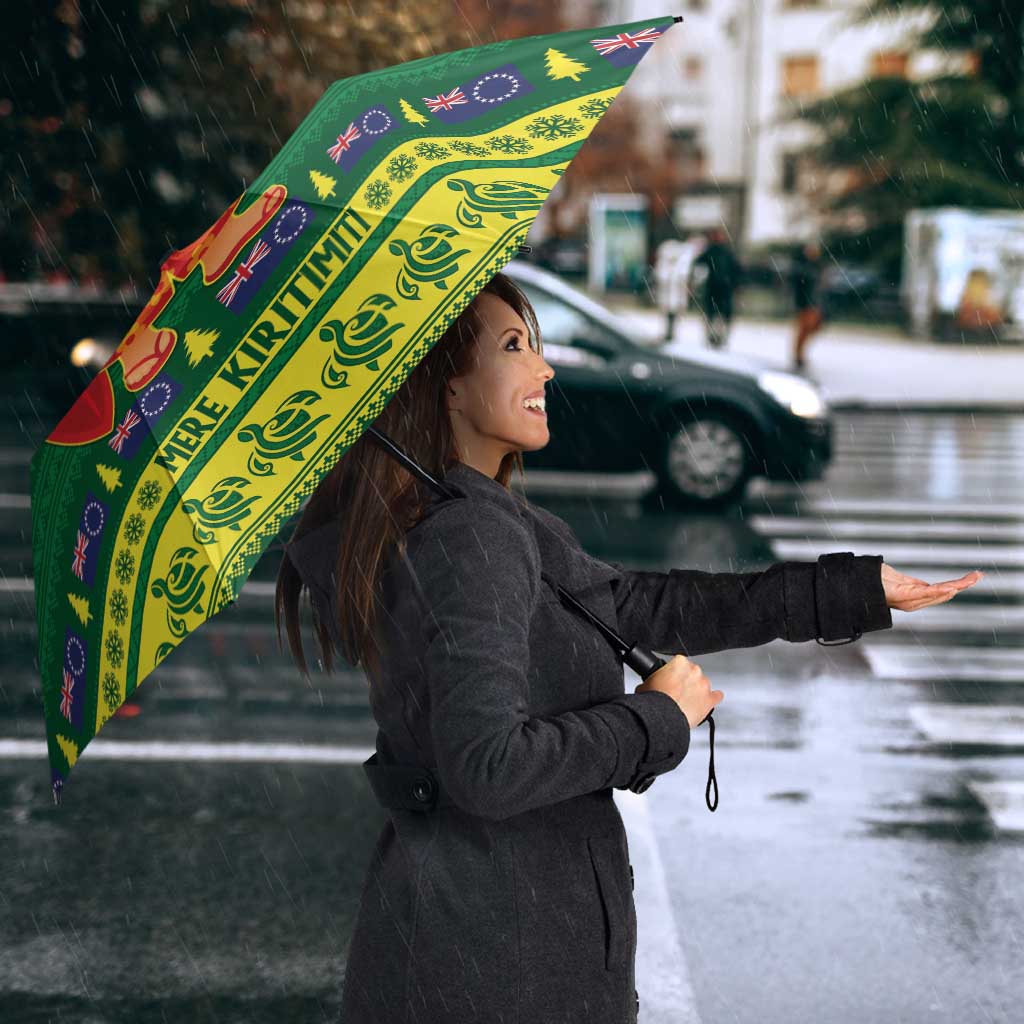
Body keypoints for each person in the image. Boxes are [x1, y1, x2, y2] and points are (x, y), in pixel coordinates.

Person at [276, 271, 980, 1024]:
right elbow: (488, 767)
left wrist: (849, 590)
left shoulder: (470, 518)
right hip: (500, 964)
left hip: (474, 942)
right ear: (446, 384)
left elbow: (639, 606)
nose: (544, 368)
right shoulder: (471, 536)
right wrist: (655, 719)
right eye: (514, 347)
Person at [692, 226, 742, 349]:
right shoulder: (714, 251)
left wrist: (735, 284)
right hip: (716, 288)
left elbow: (736, 270)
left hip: (722, 289)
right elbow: (698, 263)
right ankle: (713, 337)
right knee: (714, 314)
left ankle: (719, 337)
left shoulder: (724, 252)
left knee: (719, 315)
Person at [790, 239, 826, 371]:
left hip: (814, 303)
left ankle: (799, 354)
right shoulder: (802, 267)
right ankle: (798, 355)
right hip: (805, 303)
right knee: (804, 329)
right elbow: (799, 286)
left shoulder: (816, 266)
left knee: (812, 327)